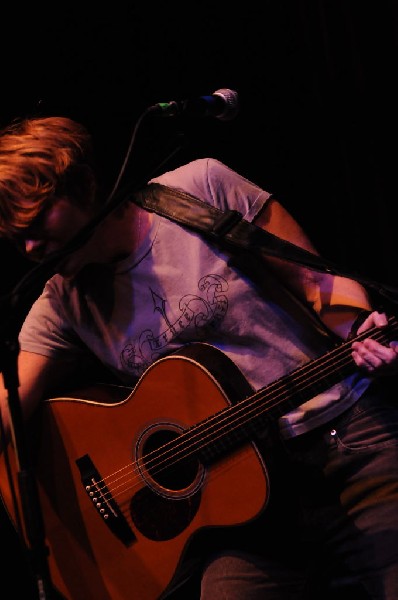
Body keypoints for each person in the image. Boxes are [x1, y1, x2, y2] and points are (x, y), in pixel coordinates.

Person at [0, 115, 398, 600]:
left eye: (38, 223)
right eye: (16, 237)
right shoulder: (62, 301)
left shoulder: (198, 190)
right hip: (241, 502)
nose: (30, 247)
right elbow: (9, 404)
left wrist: (358, 328)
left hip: (346, 437)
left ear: (82, 184)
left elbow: (318, 283)